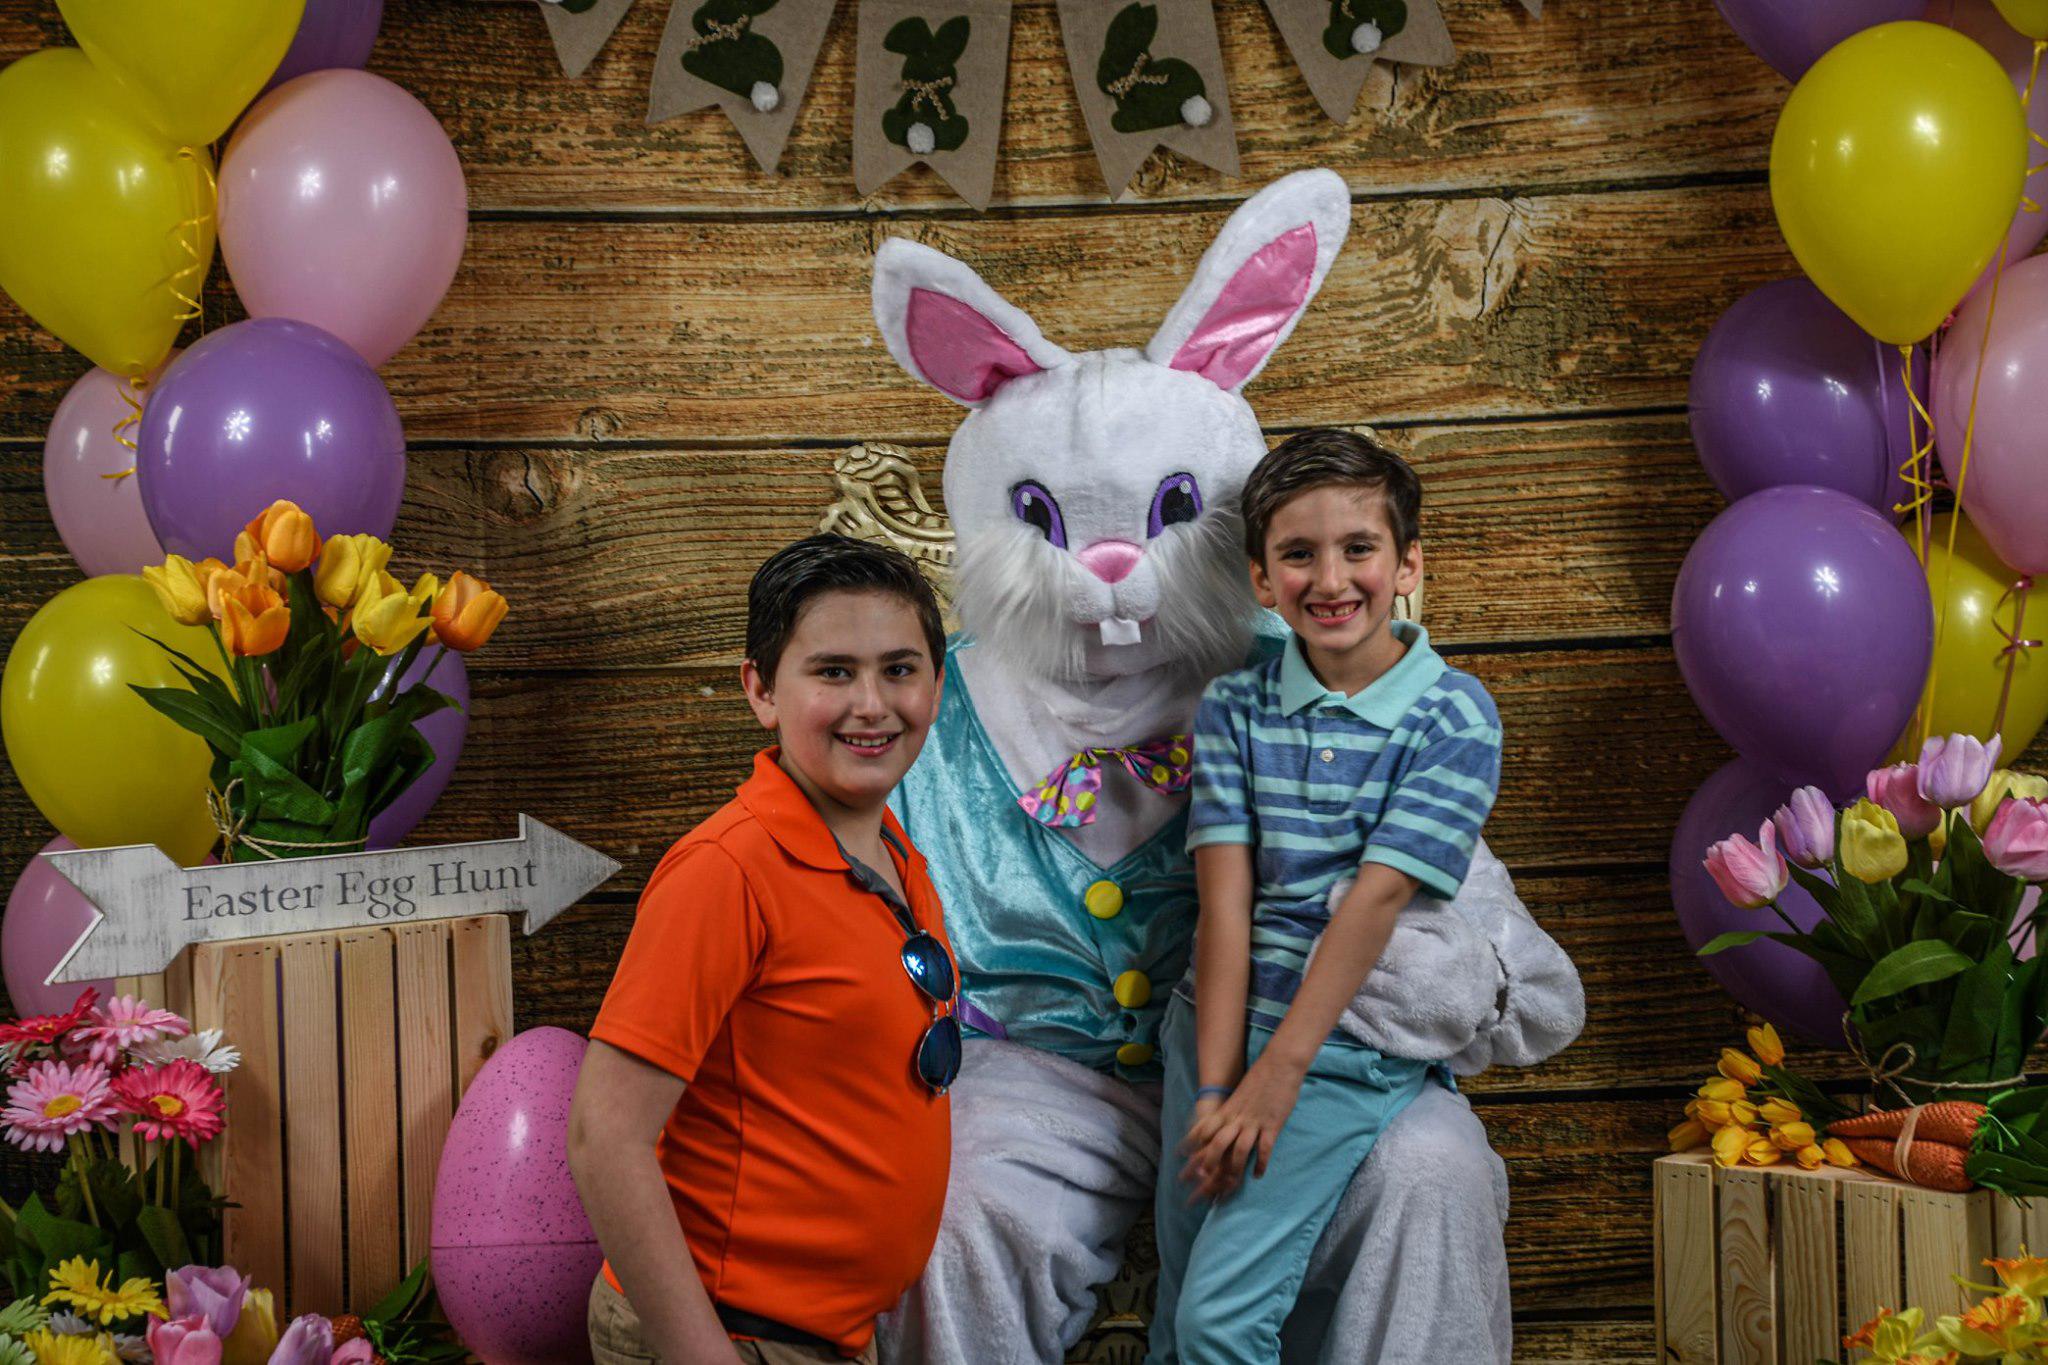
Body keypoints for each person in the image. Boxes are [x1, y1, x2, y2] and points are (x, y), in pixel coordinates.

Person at [1147, 430, 1504, 1365]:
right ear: (1263, 579)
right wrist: (1218, 1085)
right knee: (1178, 1311)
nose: (1330, 576)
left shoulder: (1453, 713)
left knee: (1218, 1327)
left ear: (1408, 563)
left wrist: (1275, 1080)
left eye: (1359, 548)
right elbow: (1225, 905)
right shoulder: (1234, 706)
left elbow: (1372, 907)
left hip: (1338, 1046)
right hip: (1211, 1027)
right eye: (1298, 554)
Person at [567, 535, 957, 1365]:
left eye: (899, 668)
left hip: (825, 1336)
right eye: (833, 671)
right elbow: (605, 1136)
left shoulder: (893, 855)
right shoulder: (726, 870)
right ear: (761, 689)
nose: (872, 703)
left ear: (937, 684)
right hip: (725, 1335)